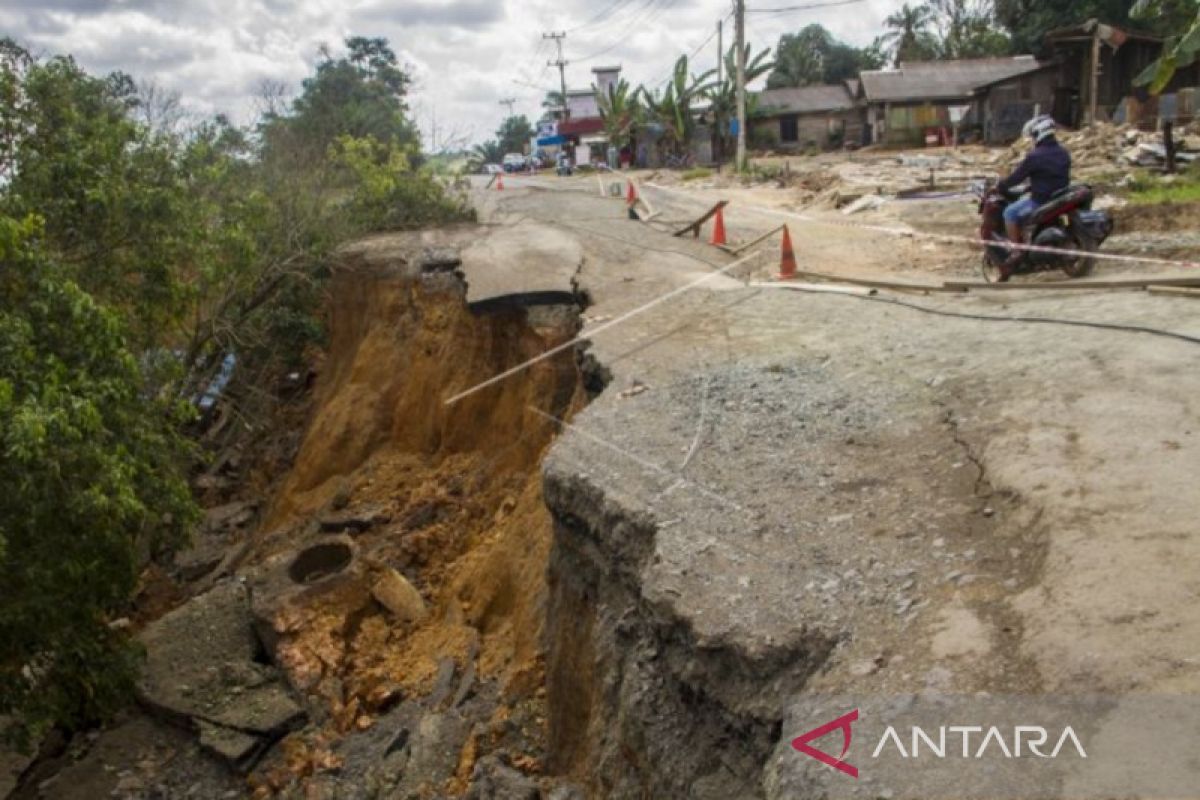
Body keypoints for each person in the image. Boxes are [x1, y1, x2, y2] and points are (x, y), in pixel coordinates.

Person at [996, 114, 1071, 280]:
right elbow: (1052, 175)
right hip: (1059, 195)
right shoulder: (1063, 152)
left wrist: (1001, 185)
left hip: (1041, 200)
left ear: (1038, 133)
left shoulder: (1035, 156)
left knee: (1009, 213)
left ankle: (1017, 250)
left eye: (1033, 136)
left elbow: (1016, 177)